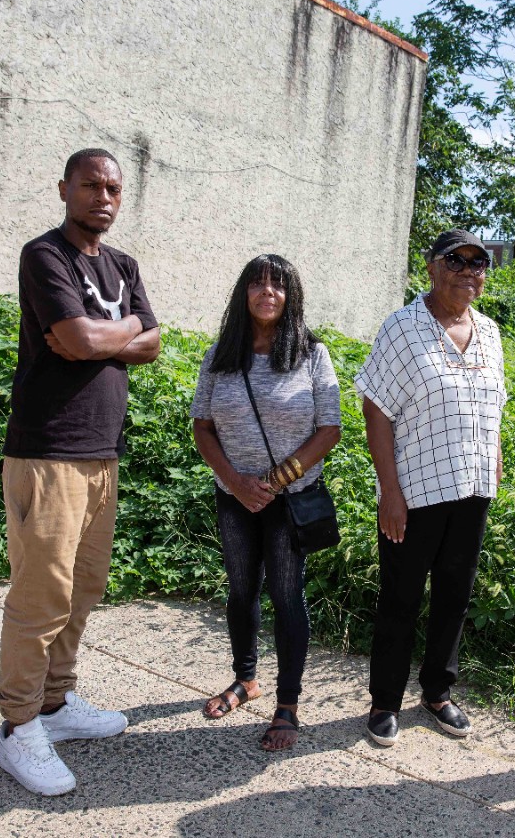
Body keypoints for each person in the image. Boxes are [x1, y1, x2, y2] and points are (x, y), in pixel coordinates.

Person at [0, 148, 161, 796]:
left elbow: (151, 342)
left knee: (84, 588)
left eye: (114, 188)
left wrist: (103, 333)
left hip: (102, 454)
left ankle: (57, 704)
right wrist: (117, 332)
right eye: (91, 184)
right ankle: (17, 724)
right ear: (64, 188)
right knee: (41, 597)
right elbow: (77, 340)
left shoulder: (123, 265)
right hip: (47, 452)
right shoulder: (45, 256)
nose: (104, 196)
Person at [354, 229, 507, 747]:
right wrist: (389, 491)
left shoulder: (488, 331)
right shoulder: (403, 327)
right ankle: (384, 702)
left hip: (472, 487)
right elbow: (376, 408)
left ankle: (438, 693)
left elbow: (494, 408)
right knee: (400, 597)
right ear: (433, 267)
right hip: (415, 492)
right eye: (456, 260)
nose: (468, 270)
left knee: (454, 596)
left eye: (478, 262)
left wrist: (496, 462)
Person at [190, 254, 341, 751]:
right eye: (257, 284)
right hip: (235, 497)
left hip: (289, 498)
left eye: (277, 284)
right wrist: (235, 481)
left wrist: (274, 481)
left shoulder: (312, 354)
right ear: (243, 294)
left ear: (290, 295)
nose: (267, 292)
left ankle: (288, 705)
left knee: (287, 596)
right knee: (240, 591)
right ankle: (246, 680)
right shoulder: (220, 355)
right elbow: (202, 427)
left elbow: (330, 429)